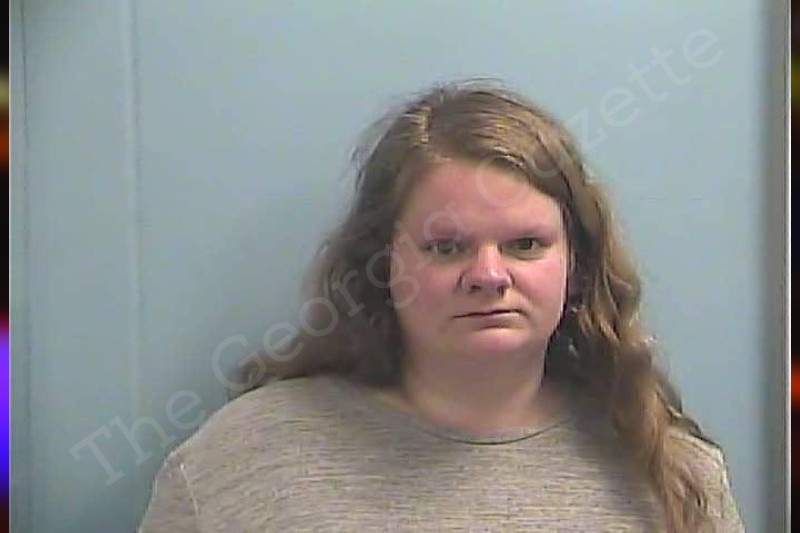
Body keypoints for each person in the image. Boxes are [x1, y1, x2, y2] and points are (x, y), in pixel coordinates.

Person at [138, 80, 744, 532]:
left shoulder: (674, 477)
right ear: (383, 265)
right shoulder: (244, 462)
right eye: (447, 247)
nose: (488, 276)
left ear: (576, 263)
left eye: (525, 244)